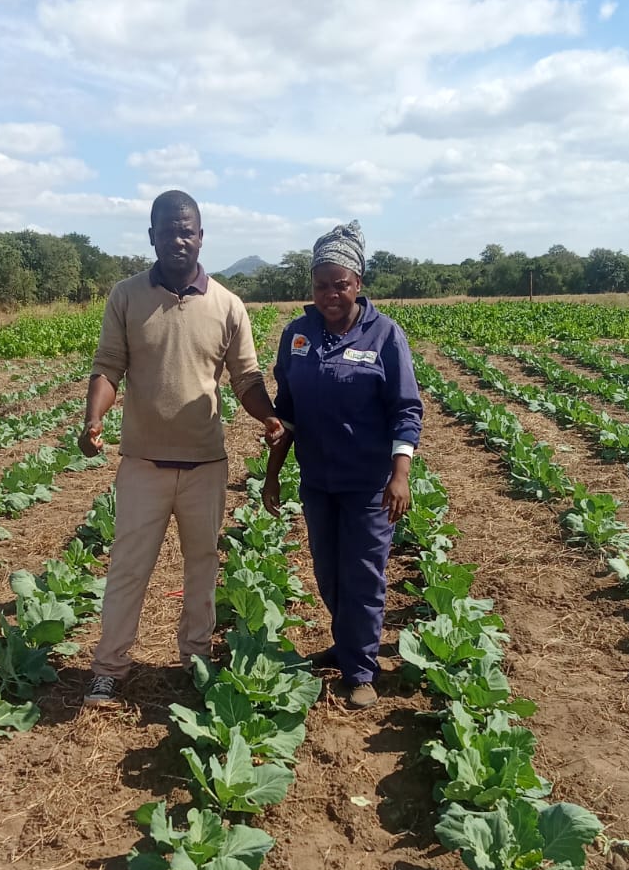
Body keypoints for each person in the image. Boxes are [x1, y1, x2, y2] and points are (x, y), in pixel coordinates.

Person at [80, 189, 283, 707]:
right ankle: (109, 666)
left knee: (202, 565)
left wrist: (269, 415)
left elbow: (246, 377)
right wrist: (93, 418)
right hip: (143, 464)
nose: (178, 238)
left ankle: (195, 660)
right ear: (151, 236)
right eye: (168, 229)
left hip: (204, 466)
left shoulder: (227, 305)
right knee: (128, 566)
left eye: (187, 229)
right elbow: (108, 366)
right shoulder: (125, 296)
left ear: (200, 236)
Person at [262, 220, 423, 709]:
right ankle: (347, 642)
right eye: (320, 285)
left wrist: (400, 474)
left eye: (340, 284)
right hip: (318, 480)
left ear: (358, 283)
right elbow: (285, 410)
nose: (330, 294)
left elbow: (406, 409)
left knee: (364, 574)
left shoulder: (384, 335)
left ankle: (360, 670)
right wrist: (272, 474)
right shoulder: (298, 334)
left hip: (370, 484)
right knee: (329, 573)